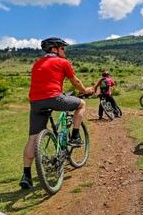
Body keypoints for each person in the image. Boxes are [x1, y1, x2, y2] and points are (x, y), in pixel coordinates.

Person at [20, 37, 94, 189]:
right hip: (54, 98)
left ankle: (26, 175)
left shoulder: (37, 63)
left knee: (33, 138)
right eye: (62, 48)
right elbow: (75, 82)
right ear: (54, 49)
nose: (64, 51)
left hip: (35, 102)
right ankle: (75, 136)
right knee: (81, 104)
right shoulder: (62, 62)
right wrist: (85, 90)